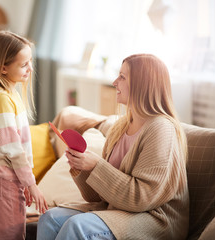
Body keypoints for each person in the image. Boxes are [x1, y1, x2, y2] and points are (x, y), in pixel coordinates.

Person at [37, 54, 189, 240]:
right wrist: (81, 167)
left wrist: (96, 166)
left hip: (153, 217)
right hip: (116, 209)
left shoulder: (161, 128)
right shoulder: (120, 127)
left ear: (142, 84)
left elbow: (142, 197)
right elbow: (97, 197)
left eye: (122, 77)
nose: (115, 82)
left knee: (77, 227)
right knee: (49, 218)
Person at [0, 31, 48, 240]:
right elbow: (14, 149)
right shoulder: (1, 100)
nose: (30, 69)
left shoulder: (11, 95)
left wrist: (23, 182)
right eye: (23, 64)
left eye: (30, 62)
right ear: (3, 67)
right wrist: (31, 184)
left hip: (6, 181)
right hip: (2, 184)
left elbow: (18, 148)